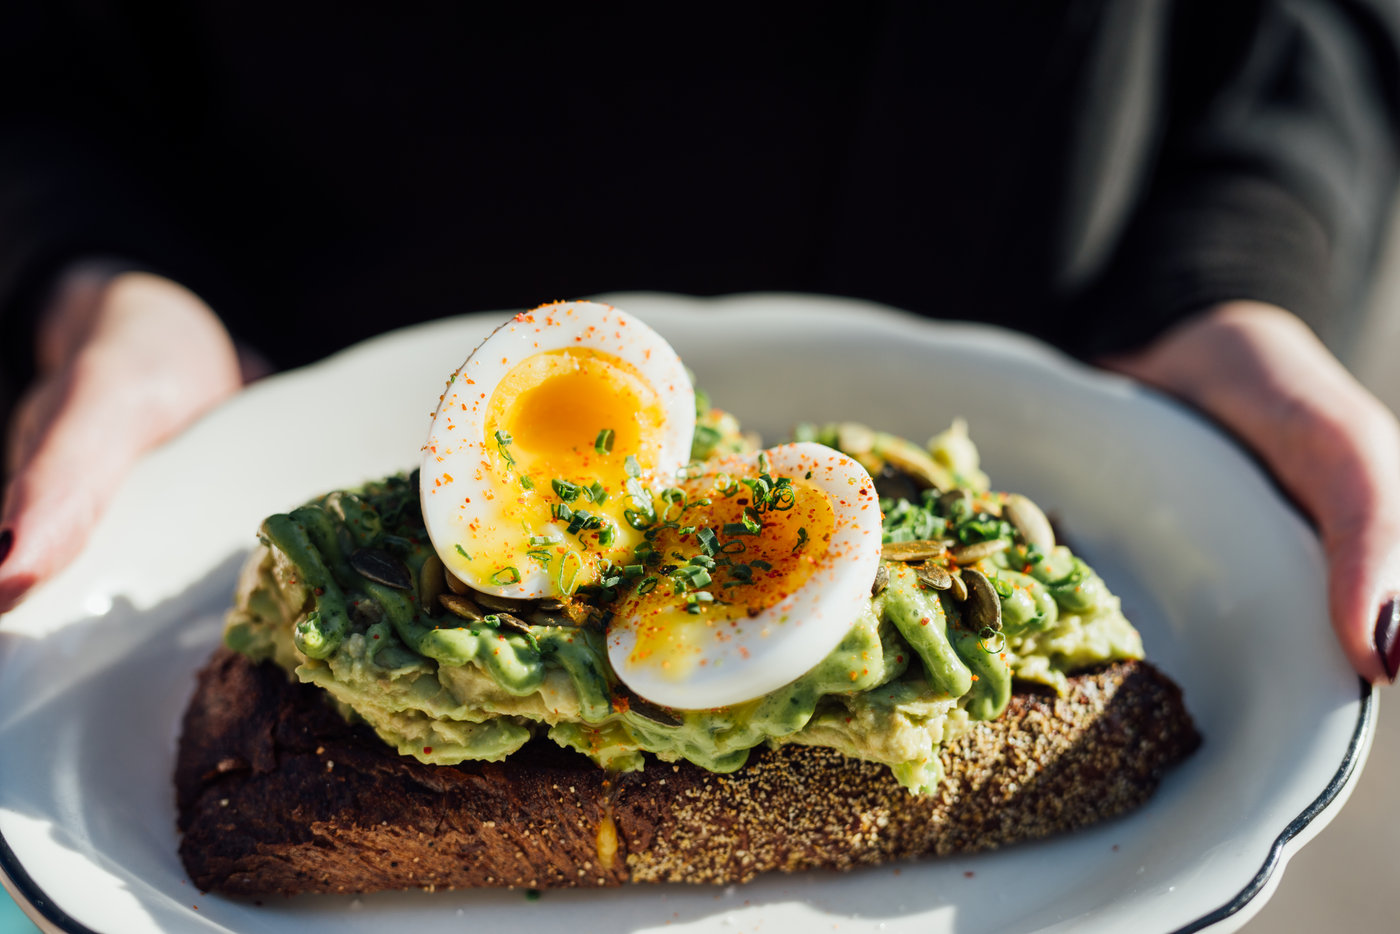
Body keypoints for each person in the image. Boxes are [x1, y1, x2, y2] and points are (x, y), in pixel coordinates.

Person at [1, 2, 1398, 682]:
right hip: (304, 372)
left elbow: (1304, 29)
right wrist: (102, 272)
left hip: (1075, 373)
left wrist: (1238, 273)